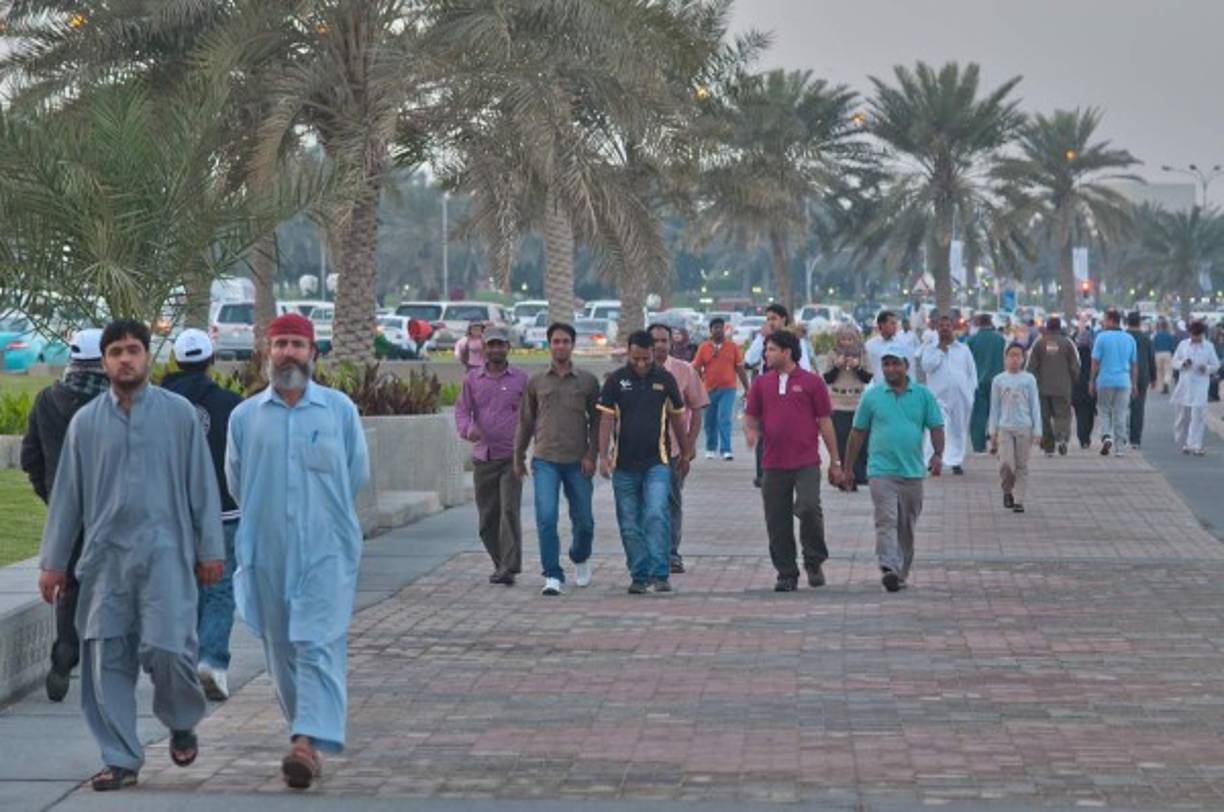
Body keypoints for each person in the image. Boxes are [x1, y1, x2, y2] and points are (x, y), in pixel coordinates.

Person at [38, 319, 224, 792]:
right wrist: (53, 562)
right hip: (104, 563)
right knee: (105, 661)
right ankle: (120, 757)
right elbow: (67, 498)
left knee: (169, 652)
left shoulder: (179, 415)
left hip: (167, 556)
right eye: (116, 351)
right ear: (104, 361)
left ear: (148, 357)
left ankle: (181, 720)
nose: (125, 359)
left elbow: (202, 485)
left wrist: (209, 549)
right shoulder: (86, 423)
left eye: (134, 350)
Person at [225, 312, 370, 789]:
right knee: (281, 647)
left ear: (313, 354)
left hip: (326, 548)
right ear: (268, 352)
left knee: (319, 643)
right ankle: (302, 732)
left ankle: (306, 743)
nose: (288, 352)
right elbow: (237, 481)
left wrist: (318, 519)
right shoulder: (245, 416)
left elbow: (356, 475)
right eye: (281, 344)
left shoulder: (339, 411)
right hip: (266, 548)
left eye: (297, 344)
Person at [21, 328, 109, 702]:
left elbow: (31, 458)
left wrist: (52, 497)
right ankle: (105, 659)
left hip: (65, 507)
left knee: (69, 583)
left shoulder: (46, 400)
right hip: (110, 507)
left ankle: (65, 650)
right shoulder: (113, 404)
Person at [160, 329, 244, 702]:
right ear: (211, 361)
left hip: (172, 512)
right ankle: (212, 660)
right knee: (220, 587)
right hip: (224, 510)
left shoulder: (156, 404)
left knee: (183, 589)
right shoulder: (231, 404)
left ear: (177, 362)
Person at [842, 344, 945, 592]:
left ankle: (900, 572)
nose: (890, 368)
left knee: (906, 525)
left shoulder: (923, 395)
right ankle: (888, 566)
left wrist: (938, 455)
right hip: (880, 470)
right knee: (886, 519)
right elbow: (857, 433)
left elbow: (936, 427)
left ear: (906, 366)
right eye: (886, 364)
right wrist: (847, 469)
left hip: (912, 472)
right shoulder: (873, 396)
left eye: (895, 363)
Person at [745, 330, 842, 592]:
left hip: (806, 462)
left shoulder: (812, 383)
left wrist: (835, 461)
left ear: (787, 352)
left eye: (772, 350)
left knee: (809, 507)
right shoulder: (762, 383)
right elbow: (751, 416)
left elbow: (824, 421)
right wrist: (751, 431)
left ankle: (813, 560)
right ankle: (786, 572)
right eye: (766, 350)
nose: (767, 354)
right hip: (773, 464)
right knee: (777, 520)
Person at [597, 330, 689, 594]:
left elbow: (677, 419)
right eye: (636, 358)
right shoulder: (616, 381)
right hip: (624, 465)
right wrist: (603, 457)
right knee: (628, 522)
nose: (640, 364)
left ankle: (660, 573)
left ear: (653, 354)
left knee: (656, 513)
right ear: (628, 353)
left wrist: (685, 453)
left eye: (645, 359)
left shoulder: (665, 379)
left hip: (657, 463)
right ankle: (639, 574)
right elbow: (605, 420)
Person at [514, 322, 600, 596]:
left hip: (578, 461)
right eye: (556, 341)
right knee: (547, 517)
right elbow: (525, 422)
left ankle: (579, 556)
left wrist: (592, 454)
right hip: (545, 460)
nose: (560, 346)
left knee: (584, 520)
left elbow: (597, 422)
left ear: (573, 345)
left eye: (565, 341)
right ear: (548, 344)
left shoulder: (587, 381)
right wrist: (518, 456)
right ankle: (552, 574)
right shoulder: (536, 382)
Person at [455, 326, 529, 586]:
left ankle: (509, 567)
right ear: (484, 348)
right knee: (488, 518)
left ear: (508, 348)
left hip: (511, 457)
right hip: (483, 457)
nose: (496, 349)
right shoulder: (473, 379)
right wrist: (468, 429)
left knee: (509, 511)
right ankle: (500, 563)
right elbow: (462, 412)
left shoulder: (521, 379)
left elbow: (531, 414)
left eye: (501, 345)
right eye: (492, 345)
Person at [650, 323, 707, 574]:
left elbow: (697, 408)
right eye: (656, 341)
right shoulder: (637, 372)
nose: (660, 345)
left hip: (674, 450)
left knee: (671, 501)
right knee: (649, 505)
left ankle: (671, 553)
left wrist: (690, 445)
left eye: (664, 341)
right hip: (642, 451)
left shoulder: (684, 371)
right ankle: (651, 553)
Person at [745, 303, 812, 486]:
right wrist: (761, 338)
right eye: (768, 319)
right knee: (763, 434)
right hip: (766, 392)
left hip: (789, 392)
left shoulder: (795, 340)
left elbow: (804, 367)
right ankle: (762, 473)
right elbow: (749, 359)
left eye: (774, 318)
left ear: (784, 319)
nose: (770, 322)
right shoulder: (763, 340)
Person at [917, 315, 977, 474]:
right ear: (937, 329)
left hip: (960, 397)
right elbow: (926, 367)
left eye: (947, 325)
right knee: (936, 428)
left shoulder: (963, 349)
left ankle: (955, 461)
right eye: (941, 326)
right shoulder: (931, 349)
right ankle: (931, 460)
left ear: (952, 328)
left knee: (958, 429)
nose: (944, 329)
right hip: (938, 397)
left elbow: (972, 373)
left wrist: (970, 392)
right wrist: (940, 351)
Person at [988, 344, 1042, 513]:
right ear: (1005, 358)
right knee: (1006, 464)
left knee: (1021, 466)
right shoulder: (998, 380)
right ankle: (1007, 489)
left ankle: (1019, 500)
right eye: (1011, 355)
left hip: (1024, 427)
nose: (1014, 359)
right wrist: (992, 431)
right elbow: (994, 407)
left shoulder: (1029, 379)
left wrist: (1038, 430)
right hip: (1005, 427)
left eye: (1018, 356)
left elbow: (1035, 405)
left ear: (1023, 359)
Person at [691, 316, 750, 460]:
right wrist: (697, 386)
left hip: (728, 389)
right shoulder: (704, 347)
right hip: (709, 389)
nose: (718, 331)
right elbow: (697, 367)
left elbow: (740, 369)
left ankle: (726, 449)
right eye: (715, 328)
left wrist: (748, 388)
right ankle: (710, 448)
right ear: (710, 331)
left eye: (721, 328)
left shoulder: (732, 347)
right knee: (710, 420)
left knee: (724, 417)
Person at [822, 323, 872, 488]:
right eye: (843, 339)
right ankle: (842, 475)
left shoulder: (863, 353)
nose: (846, 342)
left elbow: (867, 378)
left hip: (857, 400)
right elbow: (828, 378)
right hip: (838, 401)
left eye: (850, 339)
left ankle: (859, 473)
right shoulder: (832, 354)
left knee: (860, 438)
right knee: (841, 439)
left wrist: (857, 366)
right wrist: (837, 365)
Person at [1025, 316, 1080, 457]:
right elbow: (1075, 366)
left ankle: (1048, 448)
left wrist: (1030, 384)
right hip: (1063, 387)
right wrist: (1074, 381)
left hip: (1042, 388)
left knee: (1044, 417)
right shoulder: (1068, 343)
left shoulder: (1039, 343)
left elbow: (1031, 366)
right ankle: (1061, 438)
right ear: (1060, 327)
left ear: (1047, 327)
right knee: (1063, 415)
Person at [1089, 309, 1138, 457]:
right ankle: (1120, 448)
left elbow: (1095, 362)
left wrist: (1091, 380)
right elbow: (1134, 364)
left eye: (1104, 319)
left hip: (1105, 380)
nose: (1103, 322)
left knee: (1104, 410)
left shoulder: (1101, 338)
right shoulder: (1129, 339)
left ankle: (1106, 436)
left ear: (1110, 320)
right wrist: (1134, 383)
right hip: (1124, 381)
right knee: (1121, 413)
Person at [1171, 321, 1221, 455]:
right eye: (1193, 335)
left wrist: (1207, 368)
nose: (1195, 338)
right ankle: (1186, 443)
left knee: (1198, 414)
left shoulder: (1208, 347)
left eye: (1198, 336)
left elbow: (1216, 365)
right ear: (1190, 333)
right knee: (1184, 416)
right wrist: (1183, 364)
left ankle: (1196, 445)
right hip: (1185, 385)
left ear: (1202, 334)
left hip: (1200, 384)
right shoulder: (1183, 345)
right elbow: (1174, 362)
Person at [967, 313, 1006, 454]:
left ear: (978, 323)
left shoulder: (972, 341)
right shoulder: (1000, 340)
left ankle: (979, 446)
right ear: (991, 322)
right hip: (997, 380)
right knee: (998, 413)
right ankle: (996, 442)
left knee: (979, 415)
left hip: (977, 381)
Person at [1125, 311, 1158, 449]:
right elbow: (1151, 359)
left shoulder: (1123, 337)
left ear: (1127, 322)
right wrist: (1154, 377)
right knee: (1138, 409)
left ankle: (1121, 436)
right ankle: (1135, 440)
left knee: (1121, 408)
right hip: (1142, 377)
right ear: (1140, 322)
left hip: (1124, 375)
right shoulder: (1146, 339)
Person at [1071, 319, 1097, 449]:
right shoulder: (1094, 354)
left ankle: (1083, 439)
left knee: (1080, 414)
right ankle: (1086, 436)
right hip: (1091, 387)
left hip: (1076, 388)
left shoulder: (1074, 354)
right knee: (1090, 414)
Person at [864, 310, 905, 381]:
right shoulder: (870, 345)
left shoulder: (901, 344)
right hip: (876, 387)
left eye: (896, 324)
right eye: (892, 323)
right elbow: (866, 368)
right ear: (882, 324)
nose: (895, 327)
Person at [1153, 318, 1177, 394]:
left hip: (1158, 354)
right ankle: (1166, 382)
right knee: (1168, 370)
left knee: (1159, 371)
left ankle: (1161, 387)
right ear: (1167, 327)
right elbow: (1172, 346)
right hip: (1167, 353)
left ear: (1160, 326)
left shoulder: (1156, 335)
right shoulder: (1170, 335)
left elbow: (1154, 345)